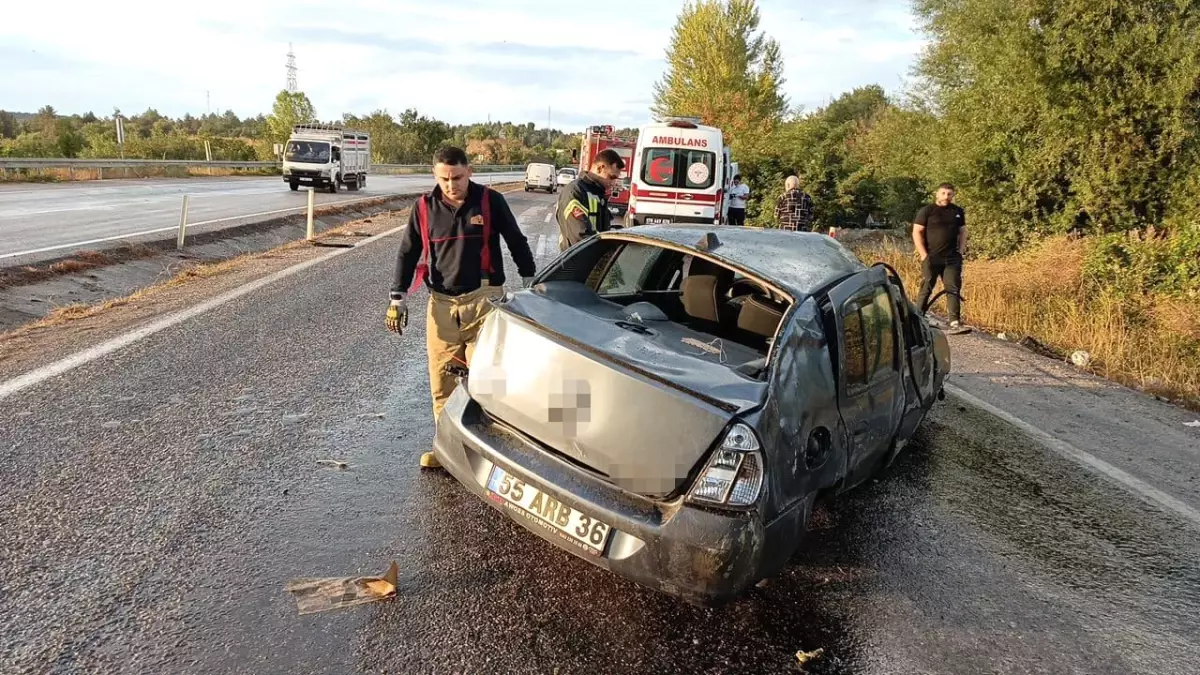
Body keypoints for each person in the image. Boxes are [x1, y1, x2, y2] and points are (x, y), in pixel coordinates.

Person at [385, 146, 537, 469]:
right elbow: (407, 253)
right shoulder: (424, 208)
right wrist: (397, 297)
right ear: (435, 175)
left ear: (469, 171)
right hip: (442, 305)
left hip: (484, 300)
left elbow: (515, 239)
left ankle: (493, 452)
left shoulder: (489, 201)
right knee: (442, 382)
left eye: (457, 177)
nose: (451, 185)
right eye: (444, 179)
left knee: (487, 380)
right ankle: (446, 449)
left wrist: (529, 279)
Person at [912, 183, 968, 332]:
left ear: (953, 195)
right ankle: (917, 317)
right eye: (943, 193)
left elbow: (963, 231)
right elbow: (917, 232)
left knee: (953, 288)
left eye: (949, 194)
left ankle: (955, 322)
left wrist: (961, 251)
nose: (946, 197)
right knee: (927, 285)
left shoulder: (957, 211)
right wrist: (923, 254)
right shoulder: (927, 211)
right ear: (937, 194)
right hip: (931, 256)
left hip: (952, 258)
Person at [556, 149, 625, 251]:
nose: (614, 183)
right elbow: (580, 238)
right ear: (600, 168)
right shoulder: (575, 191)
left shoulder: (598, 193)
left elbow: (601, 231)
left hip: (592, 262)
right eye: (611, 177)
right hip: (576, 263)